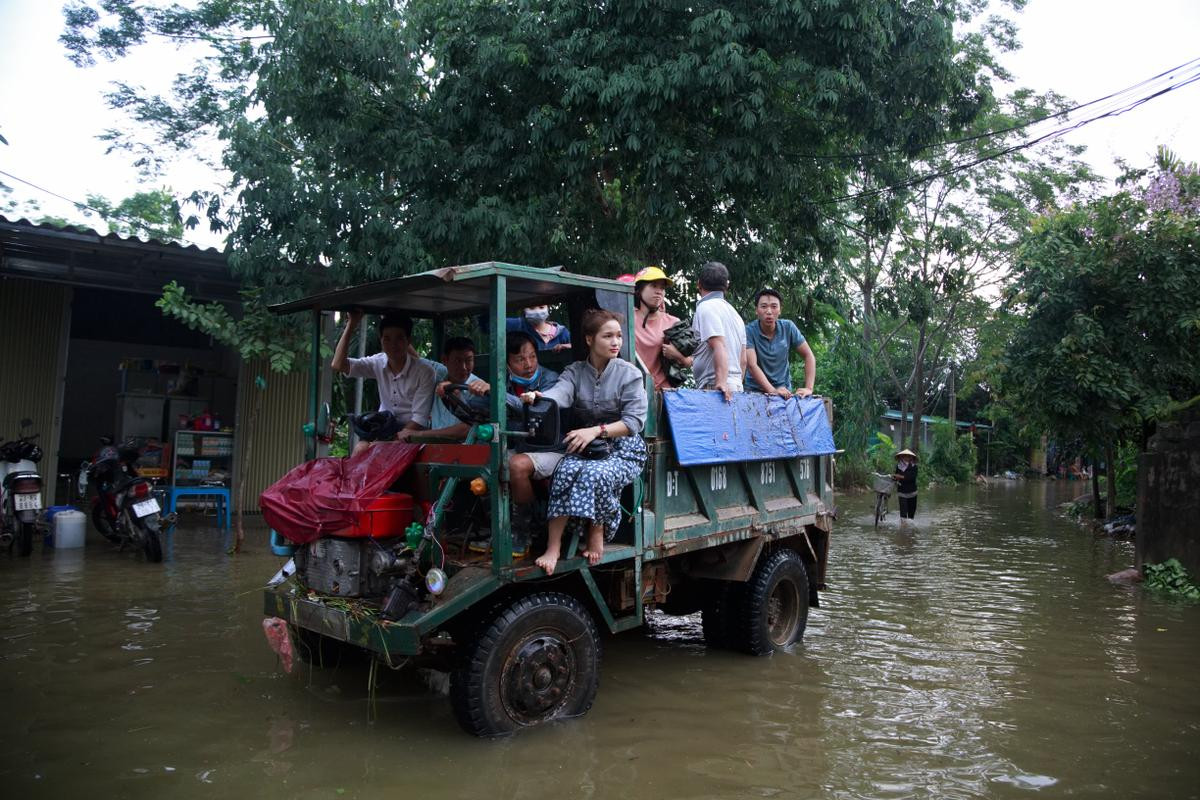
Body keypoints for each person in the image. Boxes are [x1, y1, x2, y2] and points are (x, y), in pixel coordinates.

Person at [519, 310, 648, 574]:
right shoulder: (575, 371)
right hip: (587, 445)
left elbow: (634, 423)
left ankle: (596, 530)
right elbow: (560, 394)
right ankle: (553, 547)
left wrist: (596, 431)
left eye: (619, 336)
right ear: (589, 339)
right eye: (608, 336)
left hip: (623, 449)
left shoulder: (630, 374)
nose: (616, 342)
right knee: (564, 471)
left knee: (595, 474)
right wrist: (540, 397)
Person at [332, 310, 436, 454]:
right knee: (360, 450)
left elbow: (419, 419)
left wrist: (389, 442)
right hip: (384, 426)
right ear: (381, 341)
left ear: (408, 341)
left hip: (412, 432)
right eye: (387, 339)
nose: (393, 345)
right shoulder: (378, 362)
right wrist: (352, 324)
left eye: (399, 338)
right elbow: (338, 365)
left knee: (375, 450)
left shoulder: (425, 371)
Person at [408, 337, 487, 443]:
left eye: (468, 360)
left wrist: (417, 434)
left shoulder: (478, 389)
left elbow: (467, 428)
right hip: (434, 448)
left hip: (464, 450)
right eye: (458, 361)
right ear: (445, 360)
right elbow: (417, 359)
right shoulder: (437, 373)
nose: (463, 367)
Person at [743, 287, 817, 398]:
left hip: (784, 392)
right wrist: (772, 391)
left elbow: (808, 355)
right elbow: (752, 365)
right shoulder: (749, 330)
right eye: (764, 306)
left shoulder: (788, 327)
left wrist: (809, 388)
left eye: (774, 306)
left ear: (780, 310)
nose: (769, 311)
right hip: (754, 392)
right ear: (756, 310)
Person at [628, 265, 693, 390]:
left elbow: (689, 362)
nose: (659, 291)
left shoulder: (673, 322)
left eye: (662, 288)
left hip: (663, 394)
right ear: (639, 290)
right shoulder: (627, 317)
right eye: (653, 286)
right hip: (632, 392)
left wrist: (676, 355)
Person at [690, 261, 747, 402]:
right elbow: (743, 359)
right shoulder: (735, 314)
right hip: (735, 386)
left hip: (715, 387)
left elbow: (718, 345)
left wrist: (721, 382)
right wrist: (736, 384)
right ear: (727, 285)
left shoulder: (706, 307)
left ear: (698, 284)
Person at [507, 305, 571, 352]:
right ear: (524, 309)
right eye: (531, 307)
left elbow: (579, 348)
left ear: (547, 308)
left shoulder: (562, 332)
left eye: (541, 307)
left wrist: (569, 346)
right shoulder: (517, 324)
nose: (537, 311)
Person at [893, 449, 919, 524]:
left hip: (912, 492)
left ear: (911, 457)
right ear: (901, 457)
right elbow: (896, 476)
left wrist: (900, 477)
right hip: (902, 492)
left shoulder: (914, 467)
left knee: (911, 515)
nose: (906, 457)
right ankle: (903, 531)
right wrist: (895, 477)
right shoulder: (899, 466)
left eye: (908, 456)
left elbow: (911, 477)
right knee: (903, 514)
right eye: (904, 456)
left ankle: (910, 532)